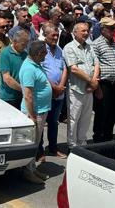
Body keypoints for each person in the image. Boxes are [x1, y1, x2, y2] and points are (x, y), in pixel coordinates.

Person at [19, 41, 52, 184]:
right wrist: (32, 116)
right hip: (35, 112)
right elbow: (28, 95)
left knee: (36, 142)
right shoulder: (28, 68)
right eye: (45, 53)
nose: (46, 55)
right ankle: (28, 172)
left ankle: (32, 168)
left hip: (41, 110)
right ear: (39, 54)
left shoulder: (36, 64)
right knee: (32, 143)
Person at [63, 22, 99, 147]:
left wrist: (93, 82)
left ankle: (82, 144)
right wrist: (91, 81)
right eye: (83, 31)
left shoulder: (90, 47)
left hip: (89, 89)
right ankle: (72, 146)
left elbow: (96, 64)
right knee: (74, 119)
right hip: (76, 89)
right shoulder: (69, 48)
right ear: (75, 33)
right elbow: (74, 69)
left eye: (87, 30)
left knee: (86, 118)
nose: (86, 33)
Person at [91, 17, 115, 142]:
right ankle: (98, 139)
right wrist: (97, 88)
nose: (113, 30)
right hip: (104, 84)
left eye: (114, 28)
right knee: (102, 114)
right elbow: (95, 67)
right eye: (110, 28)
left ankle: (108, 138)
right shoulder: (96, 44)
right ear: (103, 29)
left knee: (112, 113)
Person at [40, 22, 67, 158]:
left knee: (53, 122)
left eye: (57, 35)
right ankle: (39, 152)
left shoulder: (59, 50)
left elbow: (64, 69)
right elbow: (40, 70)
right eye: (53, 35)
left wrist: (60, 86)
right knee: (40, 123)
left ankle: (53, 148)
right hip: (45, 92)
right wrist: (53, 87)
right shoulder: (40, 49)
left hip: (59, 93)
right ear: (45, 36)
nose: (56, 38)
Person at [0, 30, 29, 108]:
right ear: (15, 42)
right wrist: (23, 90)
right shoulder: (5, 53)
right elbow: (7, 78)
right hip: (9, 97)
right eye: (23, 45)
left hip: (22, 96)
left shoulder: (25, 54)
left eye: (26, 44)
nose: (25, 47)